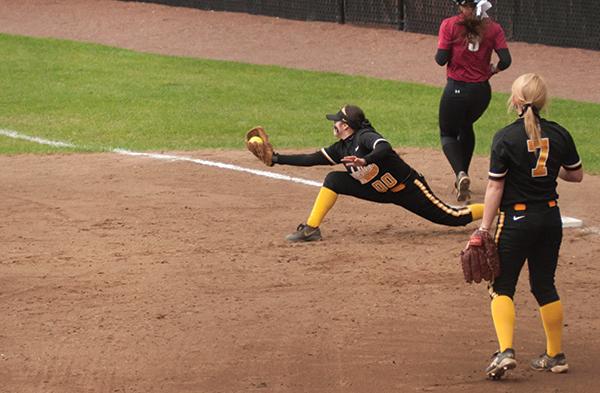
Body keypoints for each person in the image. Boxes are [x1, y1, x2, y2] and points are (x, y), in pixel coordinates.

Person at [478, 73, 583, 379]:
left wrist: (484, 227)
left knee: (501, 287)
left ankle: (505, 351)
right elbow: (575, 175)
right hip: (550, 219)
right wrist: (549, 167)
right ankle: (555, 355)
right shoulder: (560, 134)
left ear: (516, 101)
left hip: (516, 221)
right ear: (542, 101)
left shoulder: (505, 137)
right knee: (544, 285)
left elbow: (495, 188)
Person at [270, 104, 485, 242]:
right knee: (333, 179)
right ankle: (311, 228)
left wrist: (365, 159)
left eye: (336, 121)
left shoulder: (365, 137)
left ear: (345, 125)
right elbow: (310, 159)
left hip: (409, 189)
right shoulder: (341, 147)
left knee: (452, 217)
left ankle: (497, 207)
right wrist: (276, 159)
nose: (333, 124)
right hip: (377, 191)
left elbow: (385, 147)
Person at [435, 0, 512, 202]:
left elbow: (441, 59)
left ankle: (460, 173)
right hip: (481, 92)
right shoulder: (493, 28)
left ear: (463, 6)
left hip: (456, 89)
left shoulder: (450, 24)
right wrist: (493, 70)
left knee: (447, 133)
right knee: (466, 125)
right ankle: (463, 177)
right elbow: (506, 60)